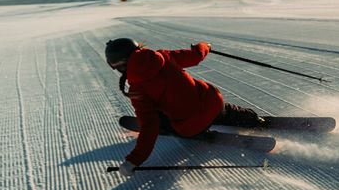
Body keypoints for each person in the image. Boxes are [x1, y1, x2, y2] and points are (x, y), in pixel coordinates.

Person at [105, 38, 264, 177]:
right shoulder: (163, 56)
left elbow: (149, 126)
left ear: (121, 65)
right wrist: (204, 46)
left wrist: (133, 160)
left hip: (191, 126)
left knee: (159, 119)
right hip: (213, 103)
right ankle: (253, 119)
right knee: (224, 110)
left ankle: (200, 134)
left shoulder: (138, 90)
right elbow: (195, 56)